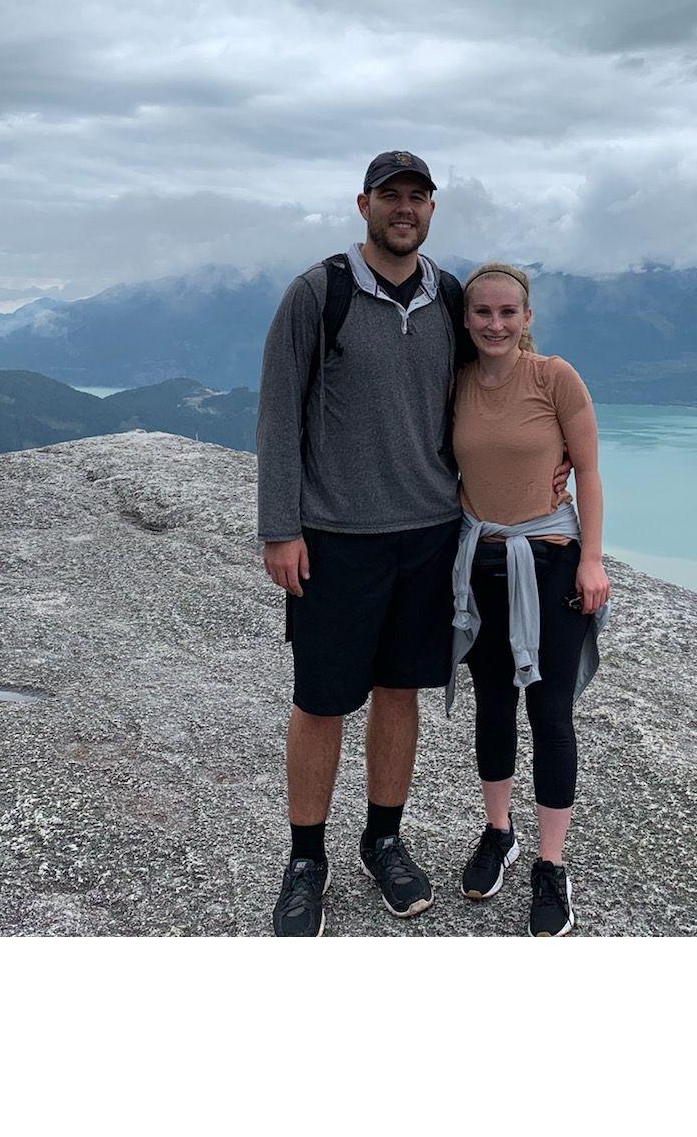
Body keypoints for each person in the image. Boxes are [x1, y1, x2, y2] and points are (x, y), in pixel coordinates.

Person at [256, 153, 565, 937]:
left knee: (399, 694)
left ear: (432, 208)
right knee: (321, 702)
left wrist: (550, 454)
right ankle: (306, 861)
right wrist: (280, 527)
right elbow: (277, 413)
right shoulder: (318, 293)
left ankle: (382, 839)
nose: (404, 209)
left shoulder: (452, 296)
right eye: (390, 196)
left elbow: (495, 384)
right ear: (363, 204)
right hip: (336, 536)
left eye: (417, 198)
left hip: (430, 536)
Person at [447, 261, 610, 936]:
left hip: (549, 560)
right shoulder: (452, 383)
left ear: (528, 318)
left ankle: (549, 863)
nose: (495, 324)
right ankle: (498, 832)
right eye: (482, 312)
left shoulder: (554, 378)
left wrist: (592, 559)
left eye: (508, 313)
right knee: (492, 702)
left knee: (550, 714)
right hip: (480, 559)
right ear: (466, 319)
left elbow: (591, 470)